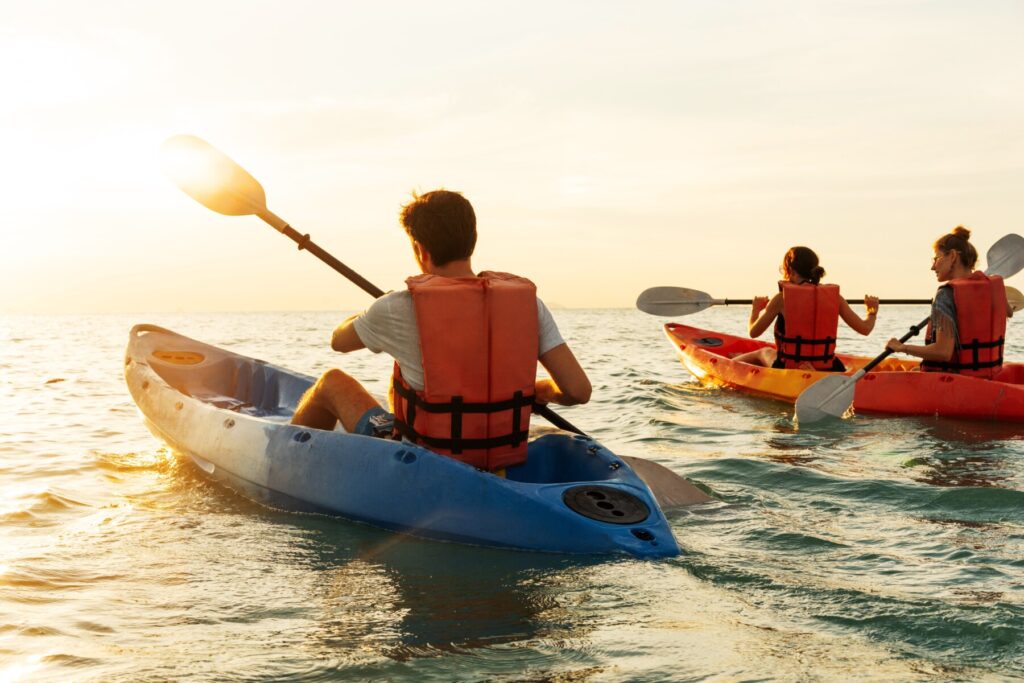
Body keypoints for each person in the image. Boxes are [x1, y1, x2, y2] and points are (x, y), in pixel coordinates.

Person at [290, 189, 591, 472]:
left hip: (422, 463)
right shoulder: (527, 305)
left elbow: (338, 342)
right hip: (498, 458)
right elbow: (577, 391)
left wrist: (376, 309)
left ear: (420, 249)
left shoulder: (395, 307)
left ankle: (286, 464)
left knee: (330, 381)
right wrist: (541, 389)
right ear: (472, 240)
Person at [886, 226, 1011, 378]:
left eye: (936, 258)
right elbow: (1009, 311)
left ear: (952, 256)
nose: (933, 267)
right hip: (986, 378)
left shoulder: (946, 294)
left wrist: (902, 347)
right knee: (914, 371)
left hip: (952, 383)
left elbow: (943, 352)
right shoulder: (993, 288)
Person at [733, 246, 879, 370]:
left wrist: (756, 310)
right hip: (829, 366)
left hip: (790, 367)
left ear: (789, 269)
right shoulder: (835, 298)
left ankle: (734, 361)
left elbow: (754, 332)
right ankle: (738, 357)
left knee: (764, 352)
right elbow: (865, 329)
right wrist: (871, 311)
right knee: (768, 352)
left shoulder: (781, 299)